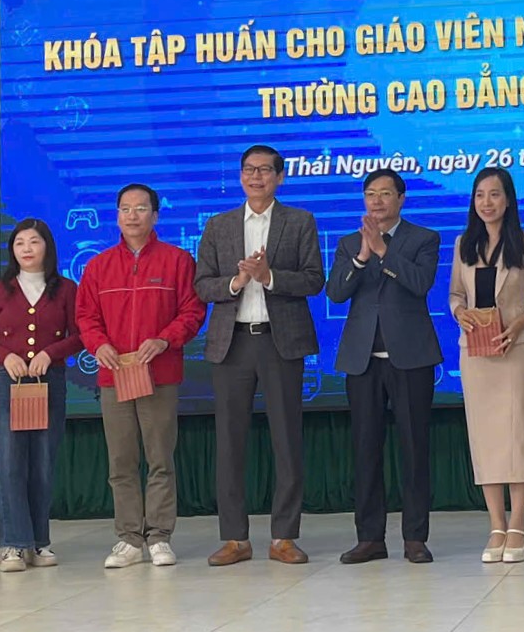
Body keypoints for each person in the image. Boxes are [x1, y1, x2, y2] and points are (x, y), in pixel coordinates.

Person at [194, 145, 324, 566]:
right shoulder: (219, 225)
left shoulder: (299, 221)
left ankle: (284, 536)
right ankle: (235, 538)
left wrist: (269, 277)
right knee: (230, 442)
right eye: (249, 170)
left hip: (280, 342)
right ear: (240, 176)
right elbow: (202, 285)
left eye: (265, 170)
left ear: (280, 177)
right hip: (232, 343)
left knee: (287, 439)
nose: (256, 177)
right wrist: (235, 283)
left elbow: (314, 280)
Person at [74, 183, 205, 570]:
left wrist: (164, 340)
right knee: (121, 461)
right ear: (117, 216)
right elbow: (85, 317)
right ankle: (129, 538)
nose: (133, 215)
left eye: (141, 208)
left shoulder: (178, 261)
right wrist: (98, 345)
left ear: (155, 215)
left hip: (159, 374)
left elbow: (193, 312)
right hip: (114, 376)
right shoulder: (98, 266)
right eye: (125, 209)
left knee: (160, 458)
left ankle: (160, 536)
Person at [325, 167, 442, 564]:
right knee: (365, 450)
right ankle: (370, 538)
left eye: (385, 193)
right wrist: (362, 256)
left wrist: (383, 252)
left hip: (410, 358)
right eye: (370, 194)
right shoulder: (348, 243)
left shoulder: (424, 238)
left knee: (414, 449)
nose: (377, 201)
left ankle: (415, 538)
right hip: (362, 361)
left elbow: (420, 283)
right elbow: (336, 293)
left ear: (401, 199)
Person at [448, 167, 524, 564]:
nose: (486, 202)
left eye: (494, 194)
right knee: (485, 438)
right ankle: (496, 525)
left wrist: (522, 321)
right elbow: (455, 295)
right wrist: (460, 313)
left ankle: (518, 523)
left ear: (508, 199)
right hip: (476, 354)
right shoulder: (463, 244)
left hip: (515, 350)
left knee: (517, 435)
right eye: (480, 195)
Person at [0, 219, 82, 573]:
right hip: (10, 383)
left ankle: (39, 542)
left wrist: (52, 353)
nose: (27, 249)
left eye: (34, 241)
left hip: (51, 382)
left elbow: (80, 335)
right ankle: (13, 545)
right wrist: (5, 357)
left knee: (43, 463)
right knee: (11, 463)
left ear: (47, 246)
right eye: (20, 243)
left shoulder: (66, 289)